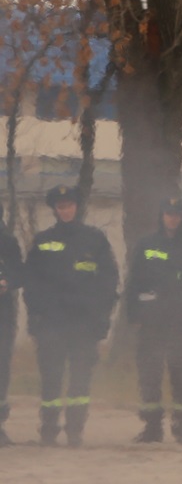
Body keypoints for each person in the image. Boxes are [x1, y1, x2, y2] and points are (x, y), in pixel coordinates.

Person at [23, 185, 117, 446]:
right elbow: (31, 282)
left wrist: (102, 319)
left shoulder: (95, 240)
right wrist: (35, 318)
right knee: (51, 378)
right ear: (55, 209)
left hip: (84, 324)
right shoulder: (42, 241)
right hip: (51, 323)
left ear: (77, 207)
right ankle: (49, 429)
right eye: (61, 206)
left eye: (70, 205)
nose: (66, 210)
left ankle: (75, 429)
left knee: (80, 379)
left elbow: (108, 281)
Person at [124, 196, 182, 444]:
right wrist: (133, 314)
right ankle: (152, 426)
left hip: (179, 321)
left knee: (181, 373)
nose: (172, 218)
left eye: (176, 213)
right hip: (150, 321)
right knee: (150, 374)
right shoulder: (146, 244)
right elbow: (133, 281)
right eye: (168, 213)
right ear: (161, 215)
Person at [0, 223, 20, 446]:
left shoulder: (7, 241)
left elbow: (19, 271)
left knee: (1, 367)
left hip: (2, 315)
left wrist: (7, 282)